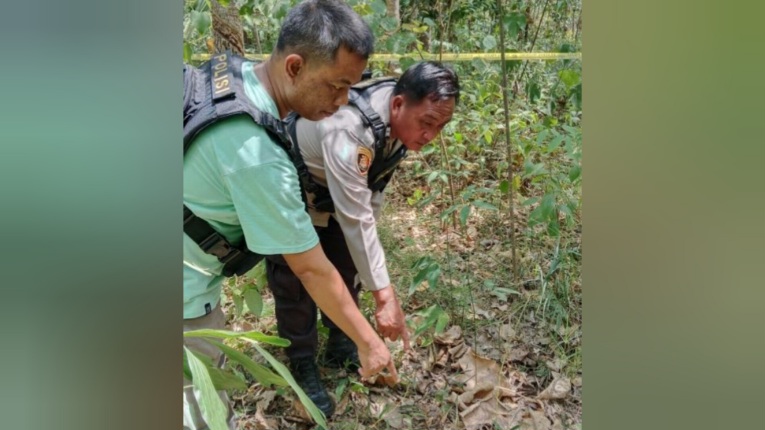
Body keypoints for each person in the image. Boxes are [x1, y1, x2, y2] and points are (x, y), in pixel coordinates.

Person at [182, 1, 398, 428]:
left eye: (351, 89)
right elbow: (312, 270)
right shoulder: (256, 156)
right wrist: (370, 343)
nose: (342, 102)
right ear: (295, 66)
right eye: (336, 86)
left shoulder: (232, 75)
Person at [266, 61, 460, 415]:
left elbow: (370, 196)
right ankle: (302, 361)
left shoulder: (400, 127)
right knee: (296, 282)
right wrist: (385, 297)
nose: (431, 136)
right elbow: (357, 216)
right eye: (427, 123)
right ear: (399, 104)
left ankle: (341, 340)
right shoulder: (351, 129)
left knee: (346, 266)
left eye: (441, 126)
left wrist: (372, 273)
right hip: (290, 190)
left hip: (334, 195)